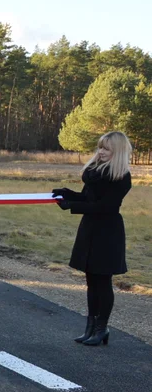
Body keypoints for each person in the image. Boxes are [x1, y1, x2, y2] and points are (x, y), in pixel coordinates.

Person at [53, 131, 133, 347]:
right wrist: (67, 194)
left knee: (103, 280)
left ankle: (101, 328)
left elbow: (106, 207)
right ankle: (90, 327)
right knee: (90, 280)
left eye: (106, 148)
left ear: (117, 152)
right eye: (100, 147)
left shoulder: (121, 177)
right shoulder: (94, 173)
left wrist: (73, 206)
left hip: (108, 232)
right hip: (90, 228)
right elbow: (87, 198)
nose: (101, 151)